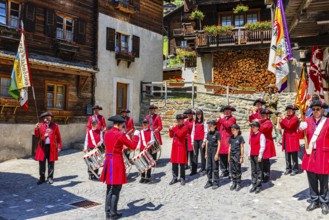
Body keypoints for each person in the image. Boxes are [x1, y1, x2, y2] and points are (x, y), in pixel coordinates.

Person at [100, 115, 140, 220]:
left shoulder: (107, 133)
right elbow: (133, 146)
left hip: (108, 161)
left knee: (109, 188)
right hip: (116, 163)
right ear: (120, 124)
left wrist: (121, 147)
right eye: (123, 125)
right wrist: (136, 136)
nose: (124, 126)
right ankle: (113, 214)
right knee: (116, 189)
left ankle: (107, 212)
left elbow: (111, 146)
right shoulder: (120, 134)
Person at [299, 100, 329, 215]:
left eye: (318, 109)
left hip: (323, 154)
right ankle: (314, 200)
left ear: (322, 110)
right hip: (310, 154)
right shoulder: (307, 121)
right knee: (311, 179)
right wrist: (300, 129)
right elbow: (300, 136)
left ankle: (324, 202)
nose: (316, 111)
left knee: (323, 181)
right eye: (314, 109)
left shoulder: (327, 122)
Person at [34, 112, 62, 185]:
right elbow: (37, 135)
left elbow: (58, 137)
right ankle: (42, 178)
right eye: (46, 118)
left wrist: (59, 146)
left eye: (49, 117)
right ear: (44, 119)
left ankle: (50, 178)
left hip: (51, 147)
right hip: (42, 147)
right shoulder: (40, 125)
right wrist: (36, 128)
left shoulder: (55, 126)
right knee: (42, 164)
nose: (48, 119)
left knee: (51, 163)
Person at [279, 104, 300, 176]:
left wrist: (284, 119)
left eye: (289, 110)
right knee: (287, 155)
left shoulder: (295, 118)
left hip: (293, 138)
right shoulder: (287, 118)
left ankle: (295, 169)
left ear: (293, 111)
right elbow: (282, 126)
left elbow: (289, 125)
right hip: (286, 137)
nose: (288, 112)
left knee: (294, 154)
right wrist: (281, 120)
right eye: (287, 110)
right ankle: (288, 168)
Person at [216, 105, 236, 178]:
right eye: (225, 111)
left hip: (228, 140)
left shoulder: (233, 119)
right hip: (222, 140)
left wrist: (222, 119)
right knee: (222, 156)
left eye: (228, 111)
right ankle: (224, 171)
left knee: (229, 157)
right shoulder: (223, 119)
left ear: (230, 112)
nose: (227, 112)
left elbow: (228, 125)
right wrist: (217, 121)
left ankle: (231, 172)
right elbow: (218, 127)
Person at [169, 114, 188, 186]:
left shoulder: (185, 127)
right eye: (178, 120)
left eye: (180, 120)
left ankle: (182, 178)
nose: (179, 121)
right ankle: (174, 177)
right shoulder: (176, 127)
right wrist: (170, 130)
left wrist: (173, 128)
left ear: (183, 121)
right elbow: (171, 136)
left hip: (181, 147)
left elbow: (180, 134)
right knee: (174, 163)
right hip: (175, 147)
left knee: (182, 163)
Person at [259, 108, 276, 183]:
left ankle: (266, 175)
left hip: (267, 143)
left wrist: (257, 124)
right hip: (261, 142)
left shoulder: (268, 122)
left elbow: (263, 129)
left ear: (267, 116)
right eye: (261, 115)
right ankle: (261, 174)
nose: (262, 116)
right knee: (261, 159)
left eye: (264, 115)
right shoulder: (261, 121)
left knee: (265, 160)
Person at [248, 121, 266, 194]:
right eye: (252, 127)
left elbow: (262, 146)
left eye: (253, 127)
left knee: (259, 170)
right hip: (252, 154)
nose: (252, 128)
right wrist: (249, 154)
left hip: (257, 155)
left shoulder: (261, 135)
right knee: (253, 170)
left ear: (257, 127)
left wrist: (260, 155)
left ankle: (258, 185)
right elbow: (250, 145)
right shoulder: (252, 135)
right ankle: (254, 184)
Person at [137, 119, 155, 184]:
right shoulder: (140, 132)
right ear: (142, 124)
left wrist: (149, 142)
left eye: (146, 123)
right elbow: (139, 140)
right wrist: (138, 146)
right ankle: (142, 177)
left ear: (148, 124)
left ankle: (148, 177)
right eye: (144, 123)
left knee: (148, 164)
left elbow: (153, 140)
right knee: (142, 164)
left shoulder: (151, 131)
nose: (145, 124)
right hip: (142, 149)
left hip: (148, 149)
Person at [204, 120, 221, 190]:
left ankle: (216, 182)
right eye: (209, 126)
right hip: (209, 151)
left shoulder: (217, 133)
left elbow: (219, 143)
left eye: (211, 125)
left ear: (214, 126)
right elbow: (207, 143)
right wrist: (205, 153)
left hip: (214, 150)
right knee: (209, 167)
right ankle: (209, 180)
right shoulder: (208, 134)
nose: (209, 127)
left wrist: (217, 153)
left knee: (215, 167)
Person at [228, 124, 245, 191]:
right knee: (232, 169)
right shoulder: (231, 137)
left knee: (237, 169)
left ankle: (238, 183)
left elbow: (242, 147)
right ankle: (234, 182)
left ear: (238, 130)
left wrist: (241, 157)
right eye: (231, 129)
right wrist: (228, 157)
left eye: (234, 129)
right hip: (232, 155)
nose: (232, 131)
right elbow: (229, 147)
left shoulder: (240, 137)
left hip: (237, 155)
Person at [191, 109, 207, 175]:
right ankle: (194, 170)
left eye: (199, 114)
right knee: (195, 154)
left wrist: (204, 141)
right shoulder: (195, 122)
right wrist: (192, 140)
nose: (198, 115)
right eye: (197, 114)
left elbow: (206, 131)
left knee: (202, 154)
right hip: (195, 140)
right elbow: (193, 131)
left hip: (201, 140)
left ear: (202, 114)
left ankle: (203, 169)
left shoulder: (204, 121)